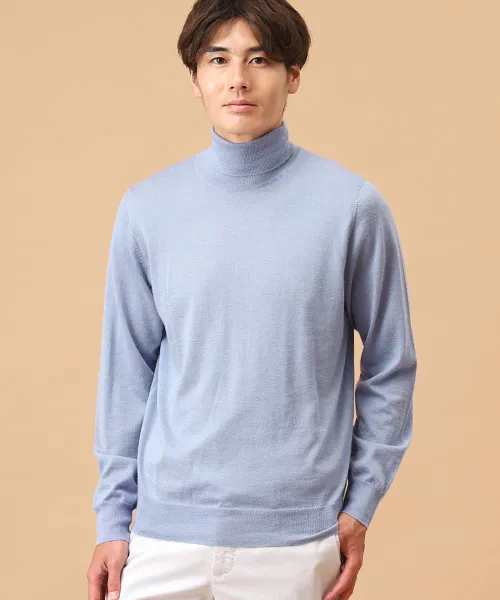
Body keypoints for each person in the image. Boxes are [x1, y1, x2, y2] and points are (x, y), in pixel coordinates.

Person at [87, 1, 418, 599]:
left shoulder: (351, 207)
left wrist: (361, 504)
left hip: (296, 539)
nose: (238, 79)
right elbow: (125, 373)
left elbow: (392, 364)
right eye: (218, 60)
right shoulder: (147, 209)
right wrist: (113, 519)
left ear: (294, 75)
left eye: (259, 59)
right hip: (164, 535)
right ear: (195, 79)